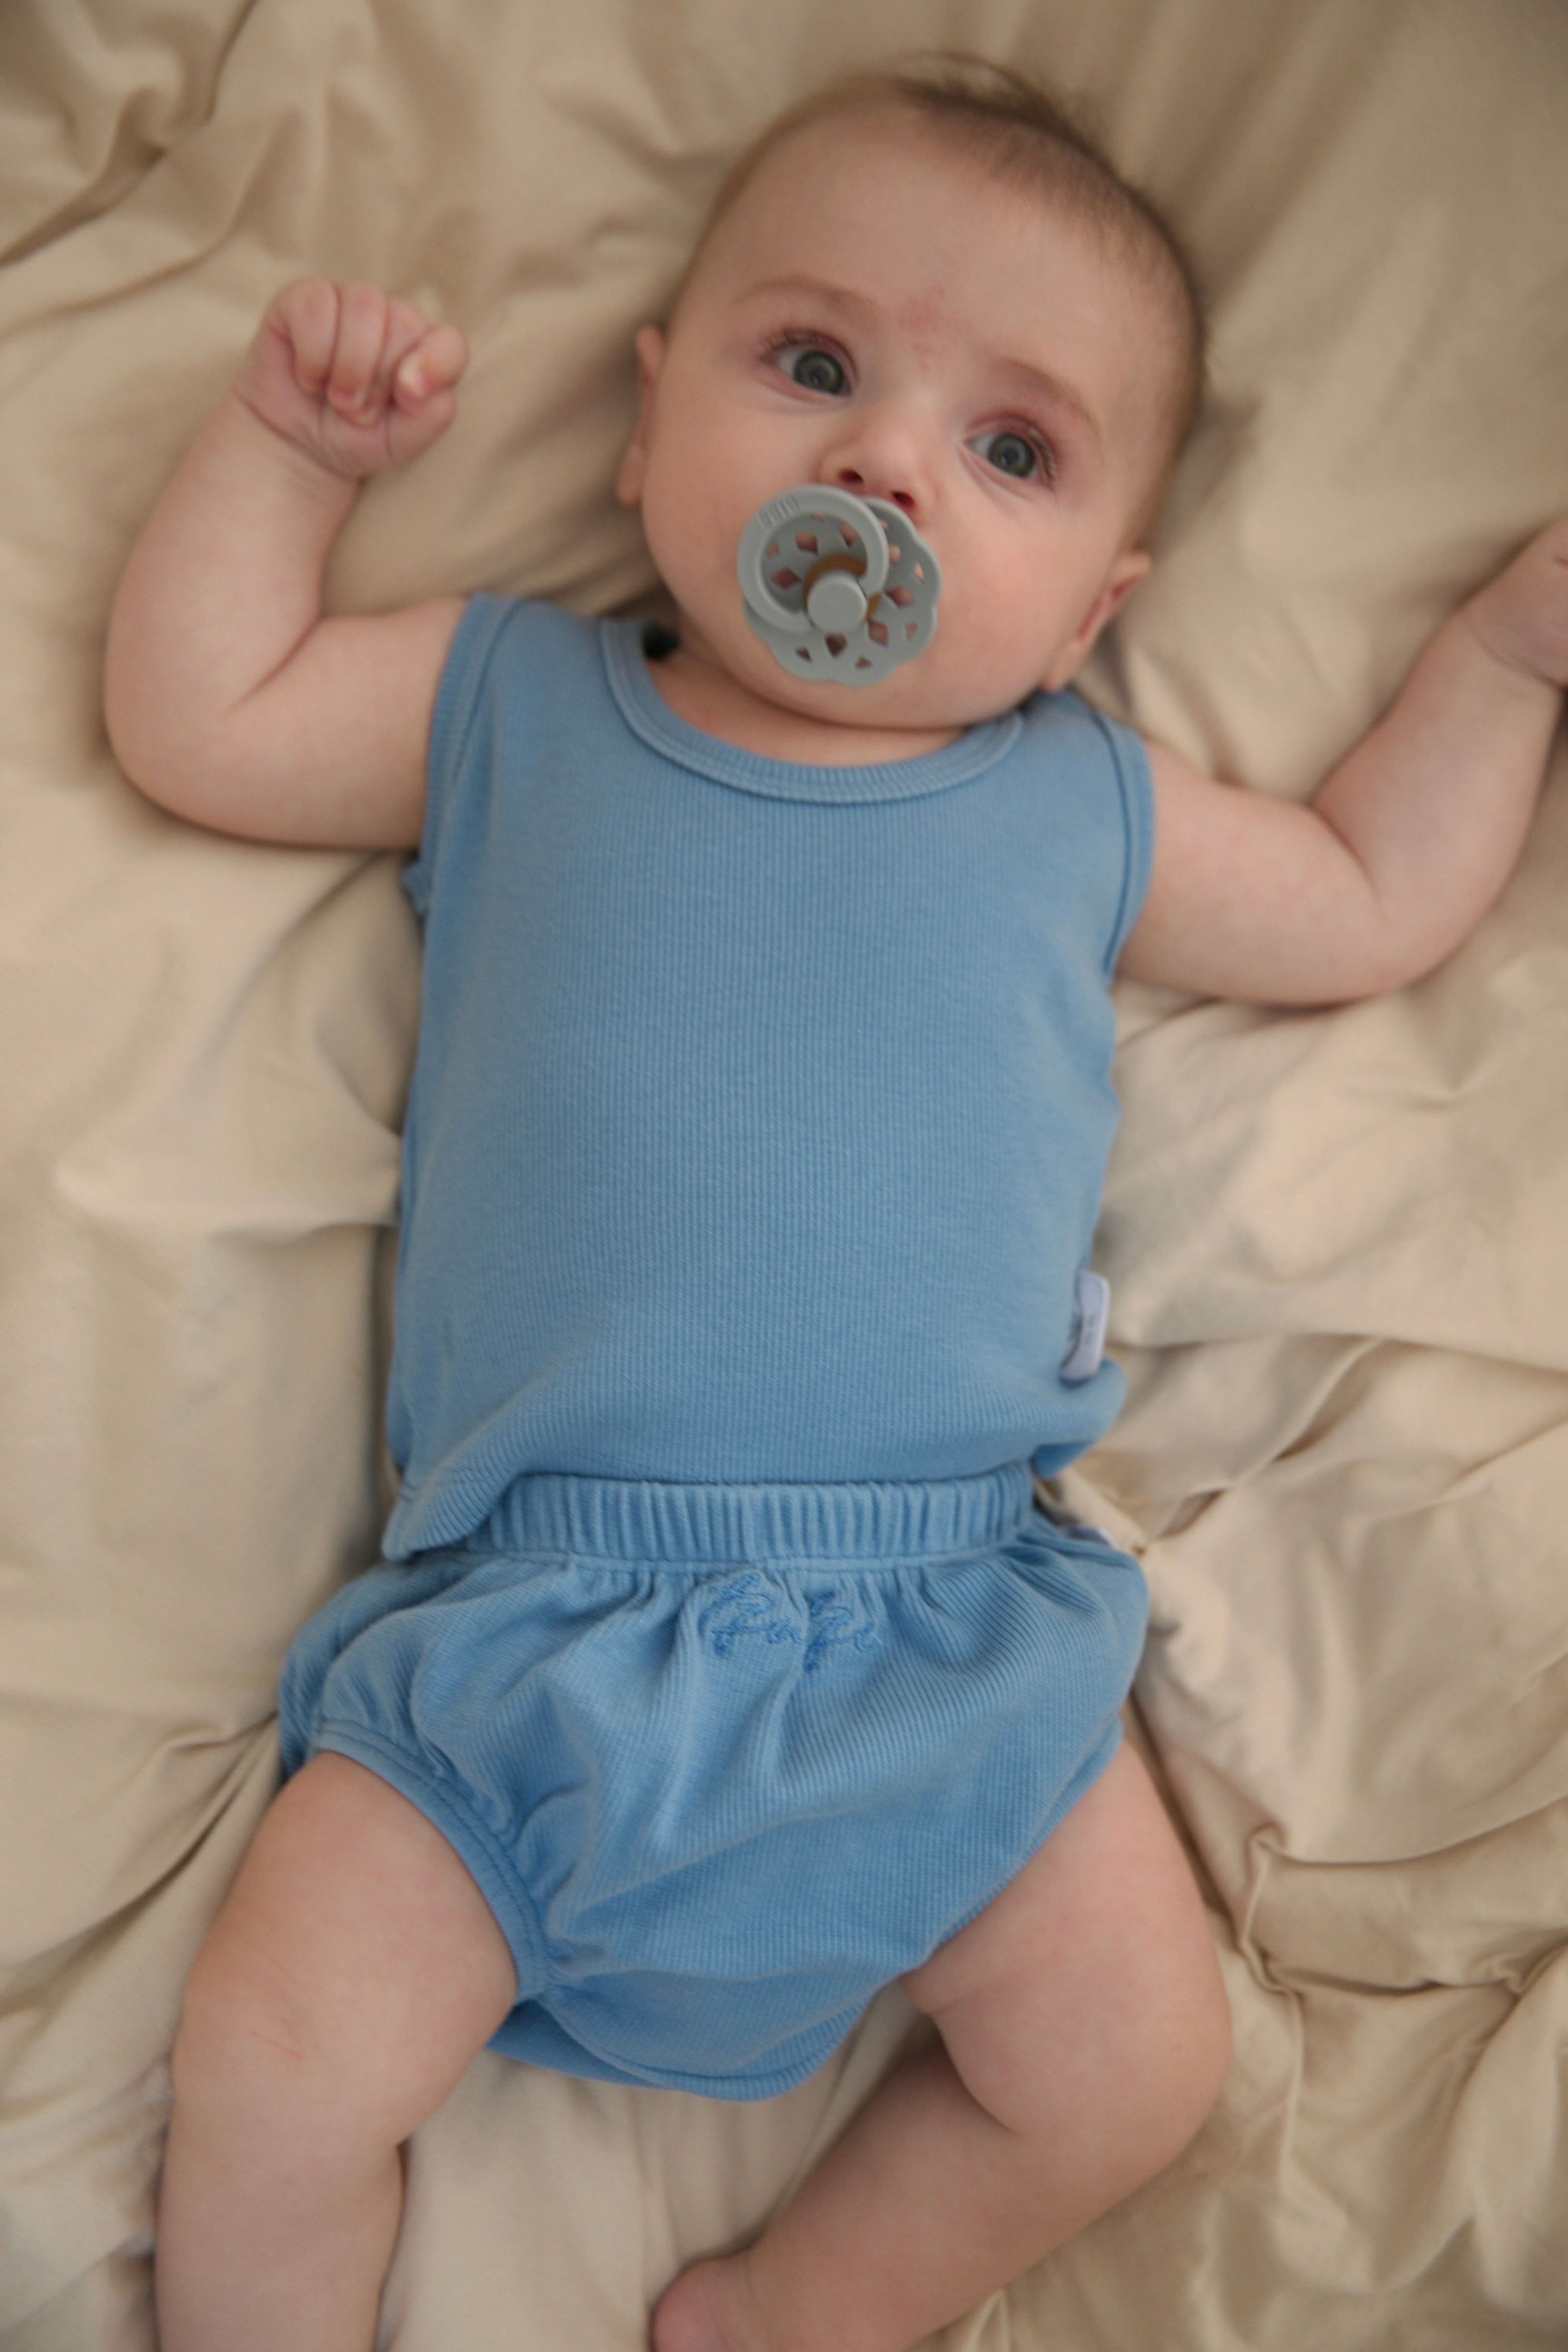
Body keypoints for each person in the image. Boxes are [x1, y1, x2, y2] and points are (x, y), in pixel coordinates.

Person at [102, 53, 1567, 2352]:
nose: (885, 464)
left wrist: (1498, 662)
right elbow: (202, 720)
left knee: (1134, 2063)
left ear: (1090, 609)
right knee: (281, 2065)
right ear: (643, 424)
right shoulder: (511, 703)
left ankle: (800, 2309)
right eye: (811, 364)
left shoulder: (1078, 802)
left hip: (941, 1635)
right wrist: (289, 460)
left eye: (1013, 451)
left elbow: (1374, 892)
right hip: (530, 1641)